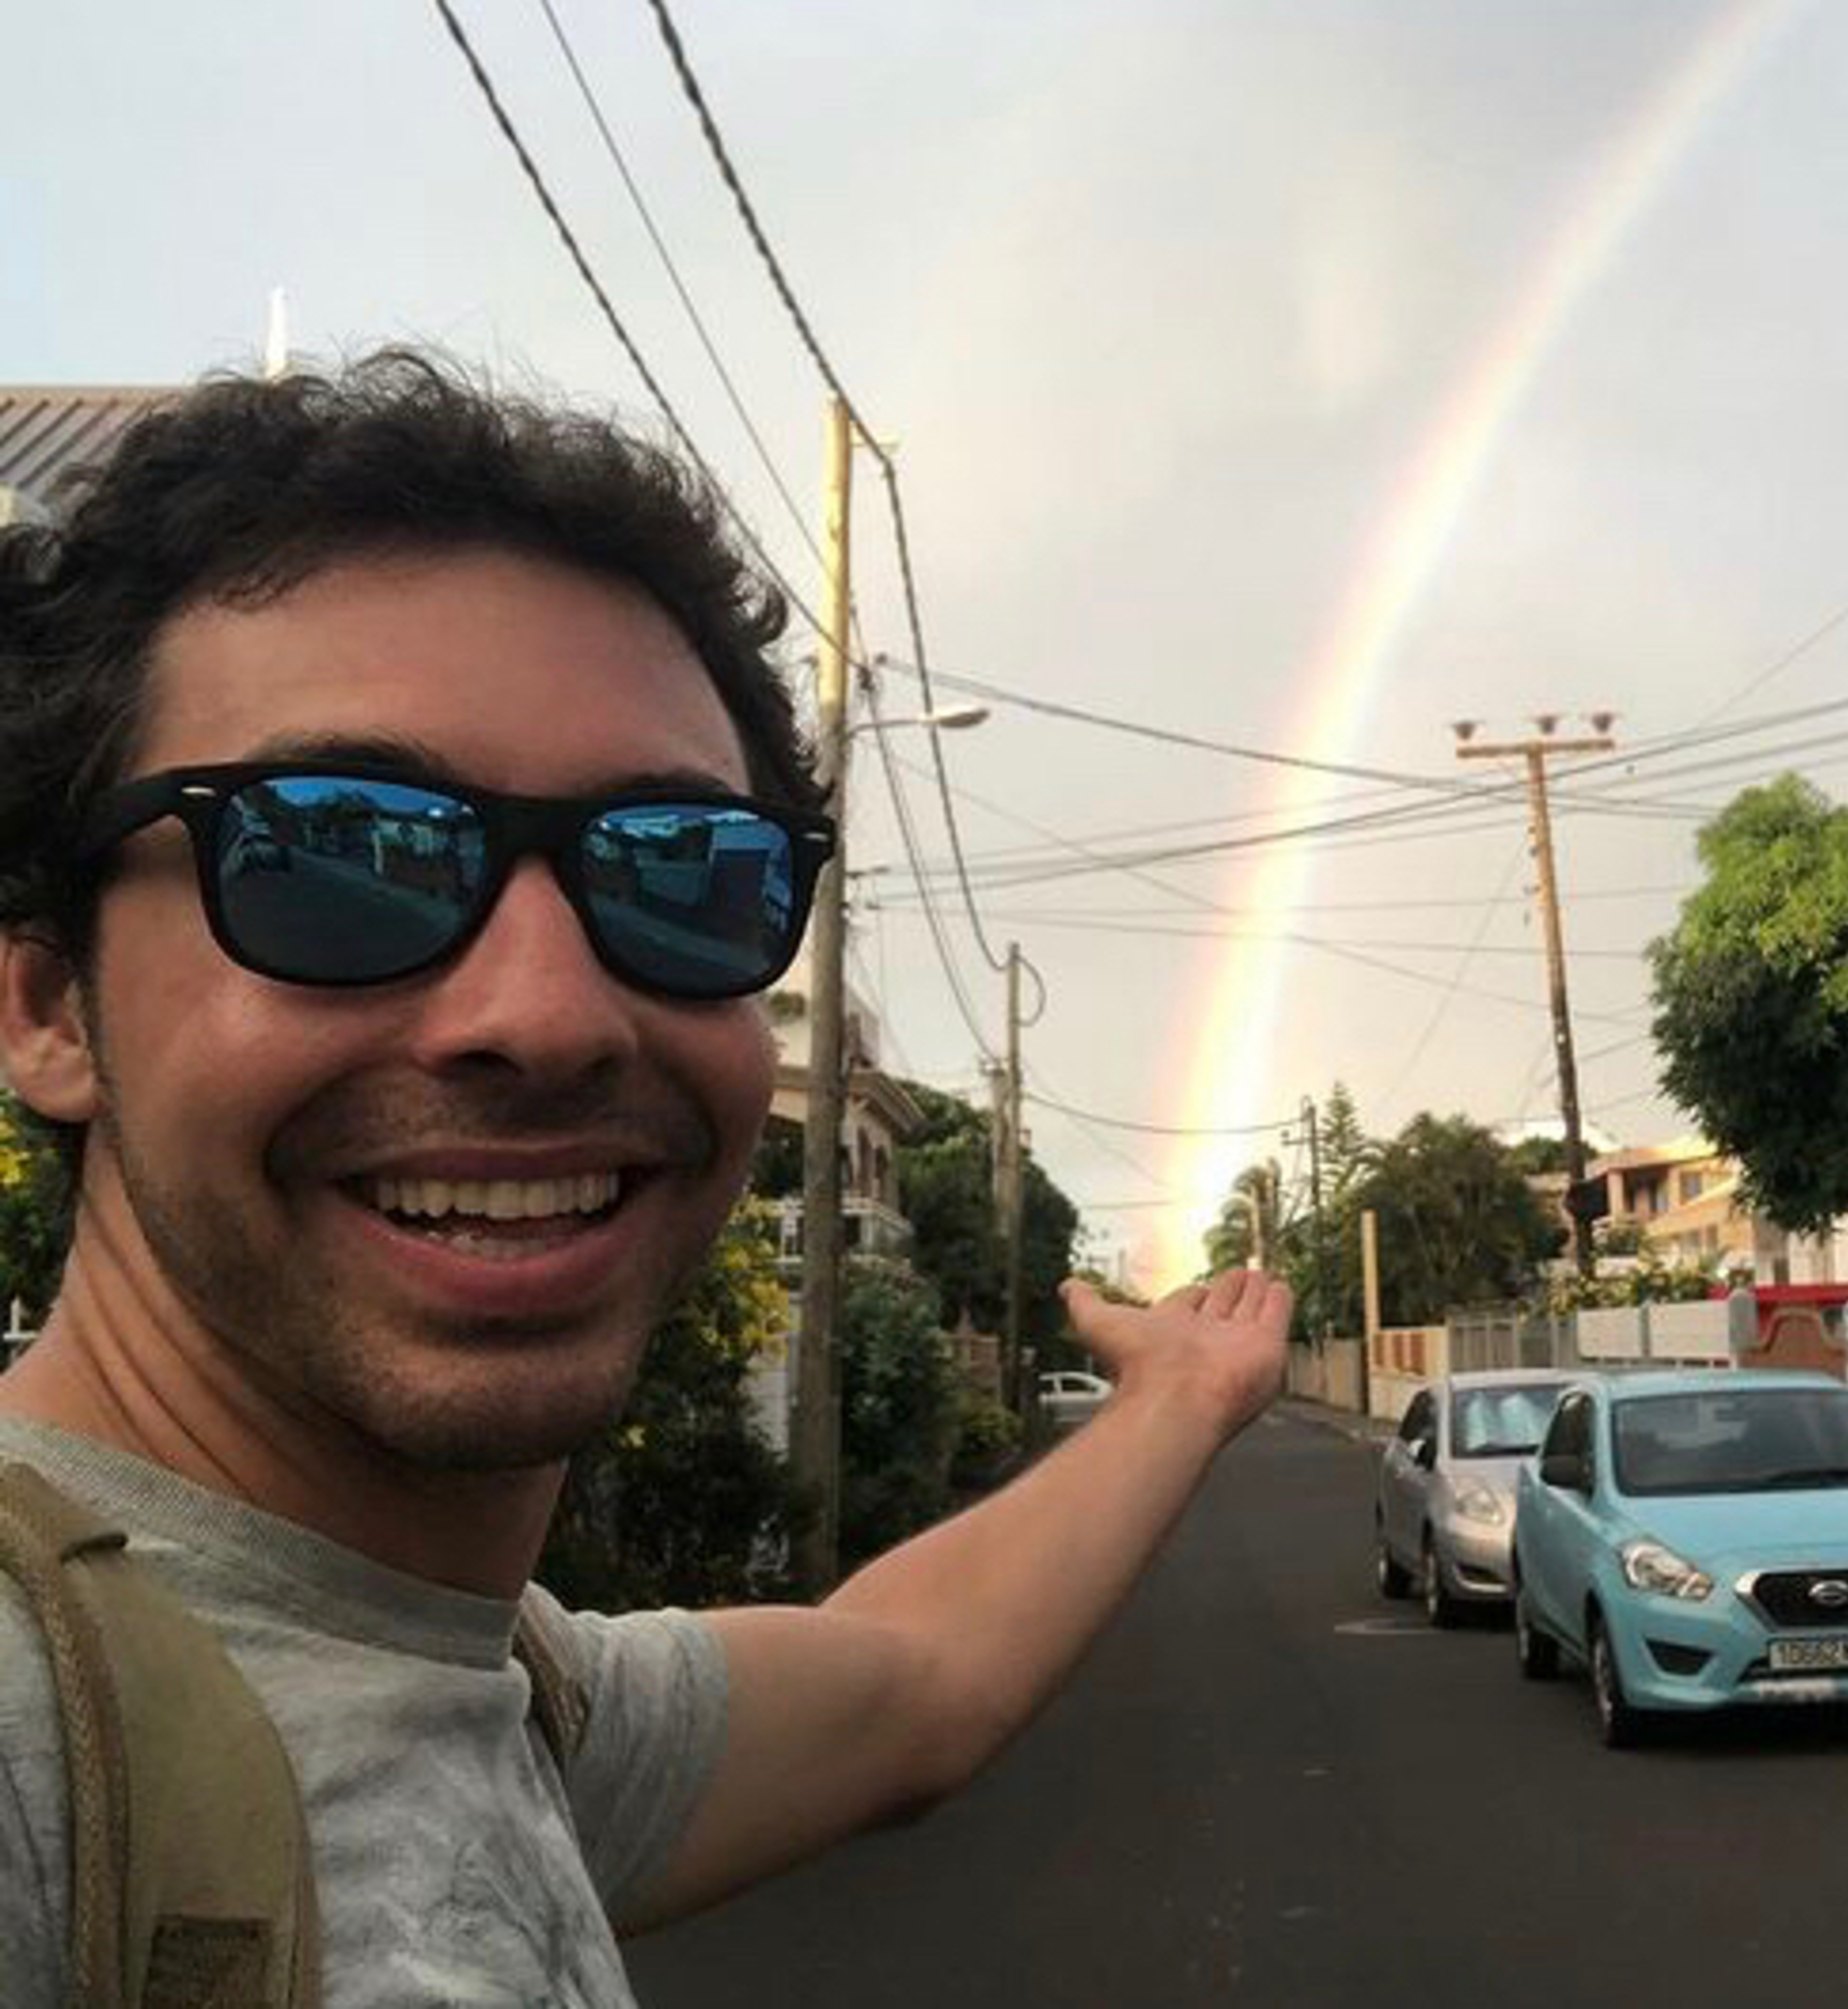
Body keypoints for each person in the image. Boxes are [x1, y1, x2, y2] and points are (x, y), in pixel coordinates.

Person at [0, 350, 1290, 2005]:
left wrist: (1181, 1395)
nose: (550, 1013)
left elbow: (917, 1681)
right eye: (335, 854)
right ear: (50, 1005)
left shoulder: (487, 1687)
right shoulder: (48, 1745)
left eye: (680, 872)